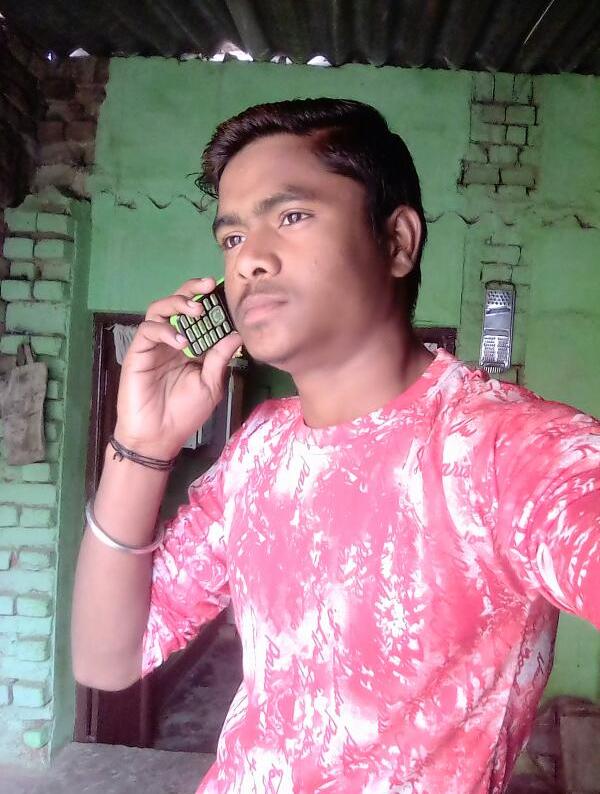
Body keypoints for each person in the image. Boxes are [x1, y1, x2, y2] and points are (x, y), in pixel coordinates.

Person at [72, 98, 600, 794]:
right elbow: (106, 660)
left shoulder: (511, 451)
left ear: (397, 241)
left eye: (292, 216)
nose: (250, 259)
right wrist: (140, 443)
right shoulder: (260, 449)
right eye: (233, 236)